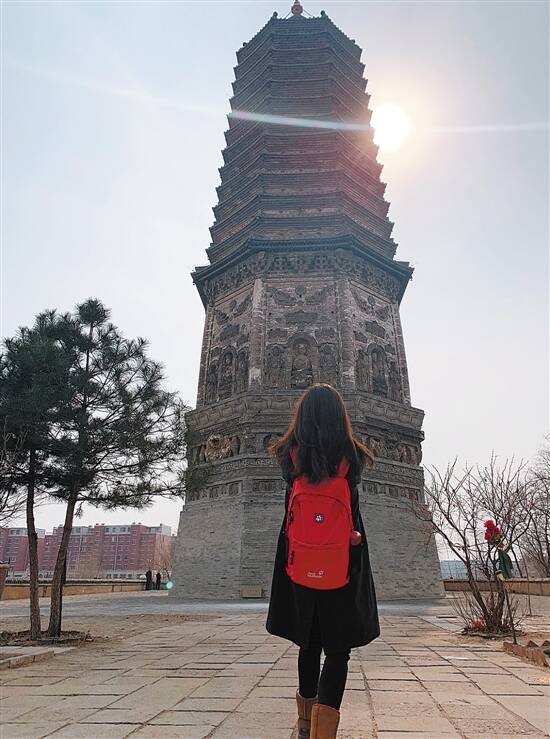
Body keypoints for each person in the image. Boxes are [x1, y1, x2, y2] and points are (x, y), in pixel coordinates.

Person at [266, 384, 379, 739]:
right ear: (339, 417)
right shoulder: (352, 457)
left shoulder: (289, 457)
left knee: (308, 643)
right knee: (338, 650)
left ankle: (304, 724)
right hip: (342, 563)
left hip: (299, 561)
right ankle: (322, 734)